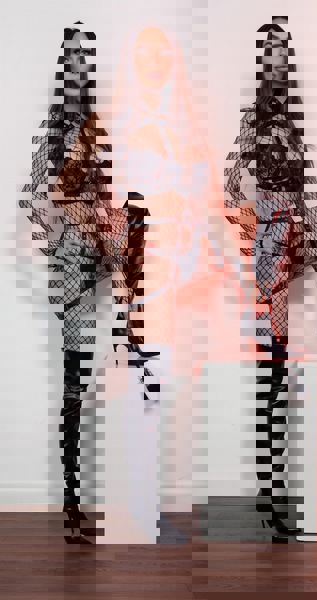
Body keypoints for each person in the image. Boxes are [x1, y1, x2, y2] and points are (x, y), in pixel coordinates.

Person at [19, 25, 153, 544]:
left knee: (137, 214)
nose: (79, 69)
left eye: (84, 60)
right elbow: (35, 202)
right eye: (72, 60)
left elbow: (105, 195)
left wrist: (109, 219)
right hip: (72, 257)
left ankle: (129, 327)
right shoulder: (51, 138)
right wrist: (66, 221)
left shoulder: (97, 133)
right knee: (73, 378)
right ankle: (72, 498)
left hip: (97, 242)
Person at [224, 17, 317, 540]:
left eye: (284, 53)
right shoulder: (253, 122)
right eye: (271, 52)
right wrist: (259, 222)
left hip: (291, 234)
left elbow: (306, 187)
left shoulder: (292, 125)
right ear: (263, 63)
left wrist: (305, 211)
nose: (278, 62)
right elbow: (231, 186)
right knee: (273, 366)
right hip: (272, 242)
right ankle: (270, 493)